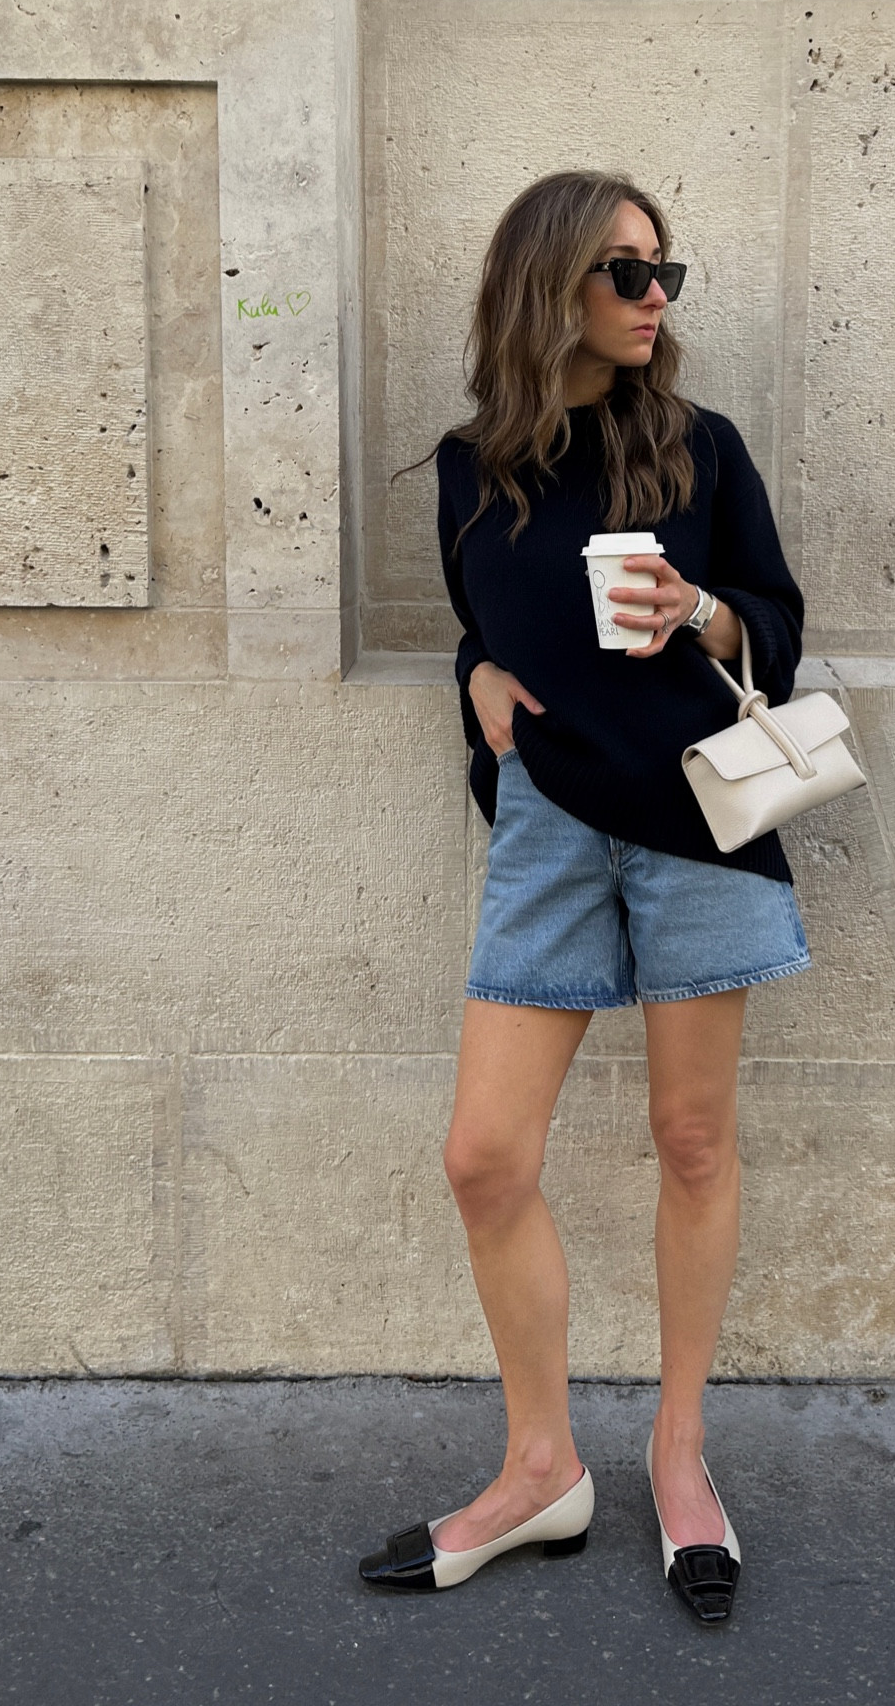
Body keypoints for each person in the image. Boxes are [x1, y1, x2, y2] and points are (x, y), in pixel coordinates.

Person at [359, 170, 809, 1623]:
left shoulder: (702, 448)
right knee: (485, 1157)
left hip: (695, 814)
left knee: (690, 1139)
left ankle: (681, 1459)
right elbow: (479, 628)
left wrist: (706, 609)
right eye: (625, 271)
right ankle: (542, 1467)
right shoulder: (469, 466)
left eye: (666, 268)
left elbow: (780, 627)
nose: (655, 295)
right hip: (551, 824)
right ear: (548, 283)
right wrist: (474, 678)